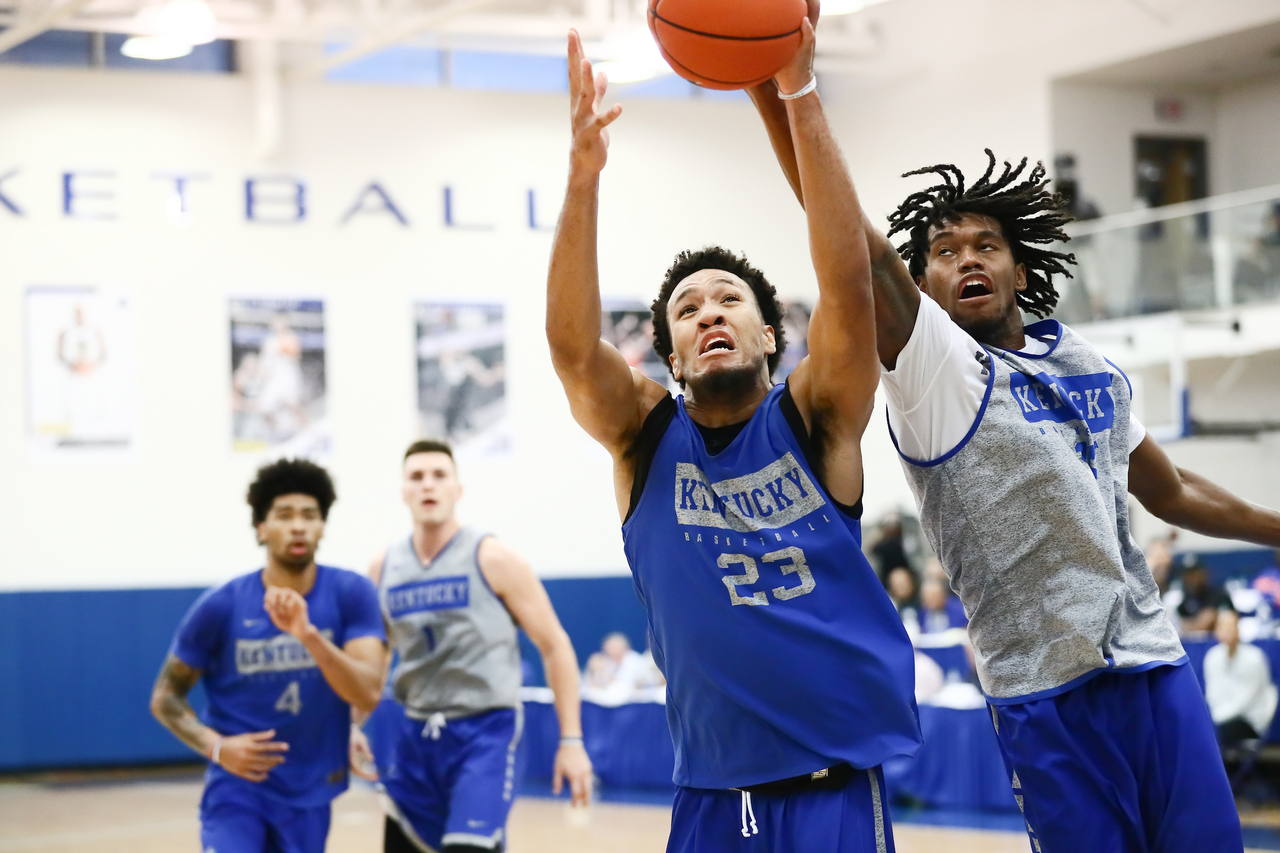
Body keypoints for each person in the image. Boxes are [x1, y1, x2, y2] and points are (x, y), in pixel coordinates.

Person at [746, 112, 1280, 849]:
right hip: (1043, 691)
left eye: (985, 245)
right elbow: (858, 251)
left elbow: (1171, 490)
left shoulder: (1087, 363)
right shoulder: (935, 370)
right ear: (923, 285)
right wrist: (783, 89)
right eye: (944, 250)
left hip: (1153, 666)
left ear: (1019, 271)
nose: (967, 258)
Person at [546, 22, 920, 853]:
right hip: (710, 796)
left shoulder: (815, 418)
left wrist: (799, 90)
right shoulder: (643, 440)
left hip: (830, 788)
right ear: (671, 356)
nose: (709, 310)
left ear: (767, 339)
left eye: (729, 301)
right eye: (688, 309)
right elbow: (573, 352)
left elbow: (848, 288)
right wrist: (582, 180)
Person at [356, 439, 592, 853]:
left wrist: (571, 741)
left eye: (439, 475)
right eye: (417, 477)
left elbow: (555, 645)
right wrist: (351, 724)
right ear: (403, 492)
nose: (428, 485)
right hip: (416, 734)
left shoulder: (493, 557)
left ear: (457, 490)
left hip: (485, 731)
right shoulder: (383, 568)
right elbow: (375, 664)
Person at [150, 458, 386, 853]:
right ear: (261, 529)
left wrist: (308, 635)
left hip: (311, 787)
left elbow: (367, 692)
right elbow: (165, 698)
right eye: (284, 515)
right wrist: (217, 748)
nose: (298, 525)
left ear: (322, 527)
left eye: (309, 515)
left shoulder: (351, 593)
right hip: (238, 789)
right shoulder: (221, 606)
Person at [1204, 609, 1278, 746]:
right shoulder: (1211, 657)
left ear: (1238, 629)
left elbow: (1247, 699)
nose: (1227, 631)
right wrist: (1216, 717)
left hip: (1249, 720)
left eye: (1231, 626)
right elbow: (1212, 692)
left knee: (1219, 731)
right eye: (1223, 626)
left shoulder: (1254, 658)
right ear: (1217, 631)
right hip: (1222, 719)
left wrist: (1218, 718)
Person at [1177, 557, 1235, 636]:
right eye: (1188, 574)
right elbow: (1180, 625)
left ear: (1203, 573)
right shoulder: (1185, 599)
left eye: (1194, 573)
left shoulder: (1218, 595)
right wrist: (1199, 624)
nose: (1191, 578)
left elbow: (1232, 621)